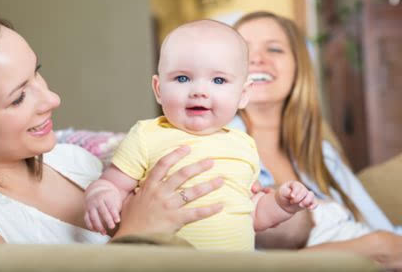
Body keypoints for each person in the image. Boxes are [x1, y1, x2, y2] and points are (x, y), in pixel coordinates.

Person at [0, 7, 225, 243]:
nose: (52, 99)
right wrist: (136, 232)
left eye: (36, 73)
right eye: (19, 98)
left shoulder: (76, 160)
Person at [84, 20, 317, 251]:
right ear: (158, 89)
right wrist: (102, 193)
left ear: (243, 94)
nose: (199, 92)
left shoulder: (244, 145)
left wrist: (281, 204)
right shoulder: (147, 136)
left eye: (218, 80)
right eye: (182, 78)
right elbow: (113, 183)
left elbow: (252, 215)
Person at [230, 11, 402, 269]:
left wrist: (378, 246)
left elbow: (383, 234)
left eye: (275, 49)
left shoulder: (321, 152)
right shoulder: (214, 149)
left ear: (300, 66)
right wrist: (371, 248)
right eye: (242, 51)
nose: (256, 58)